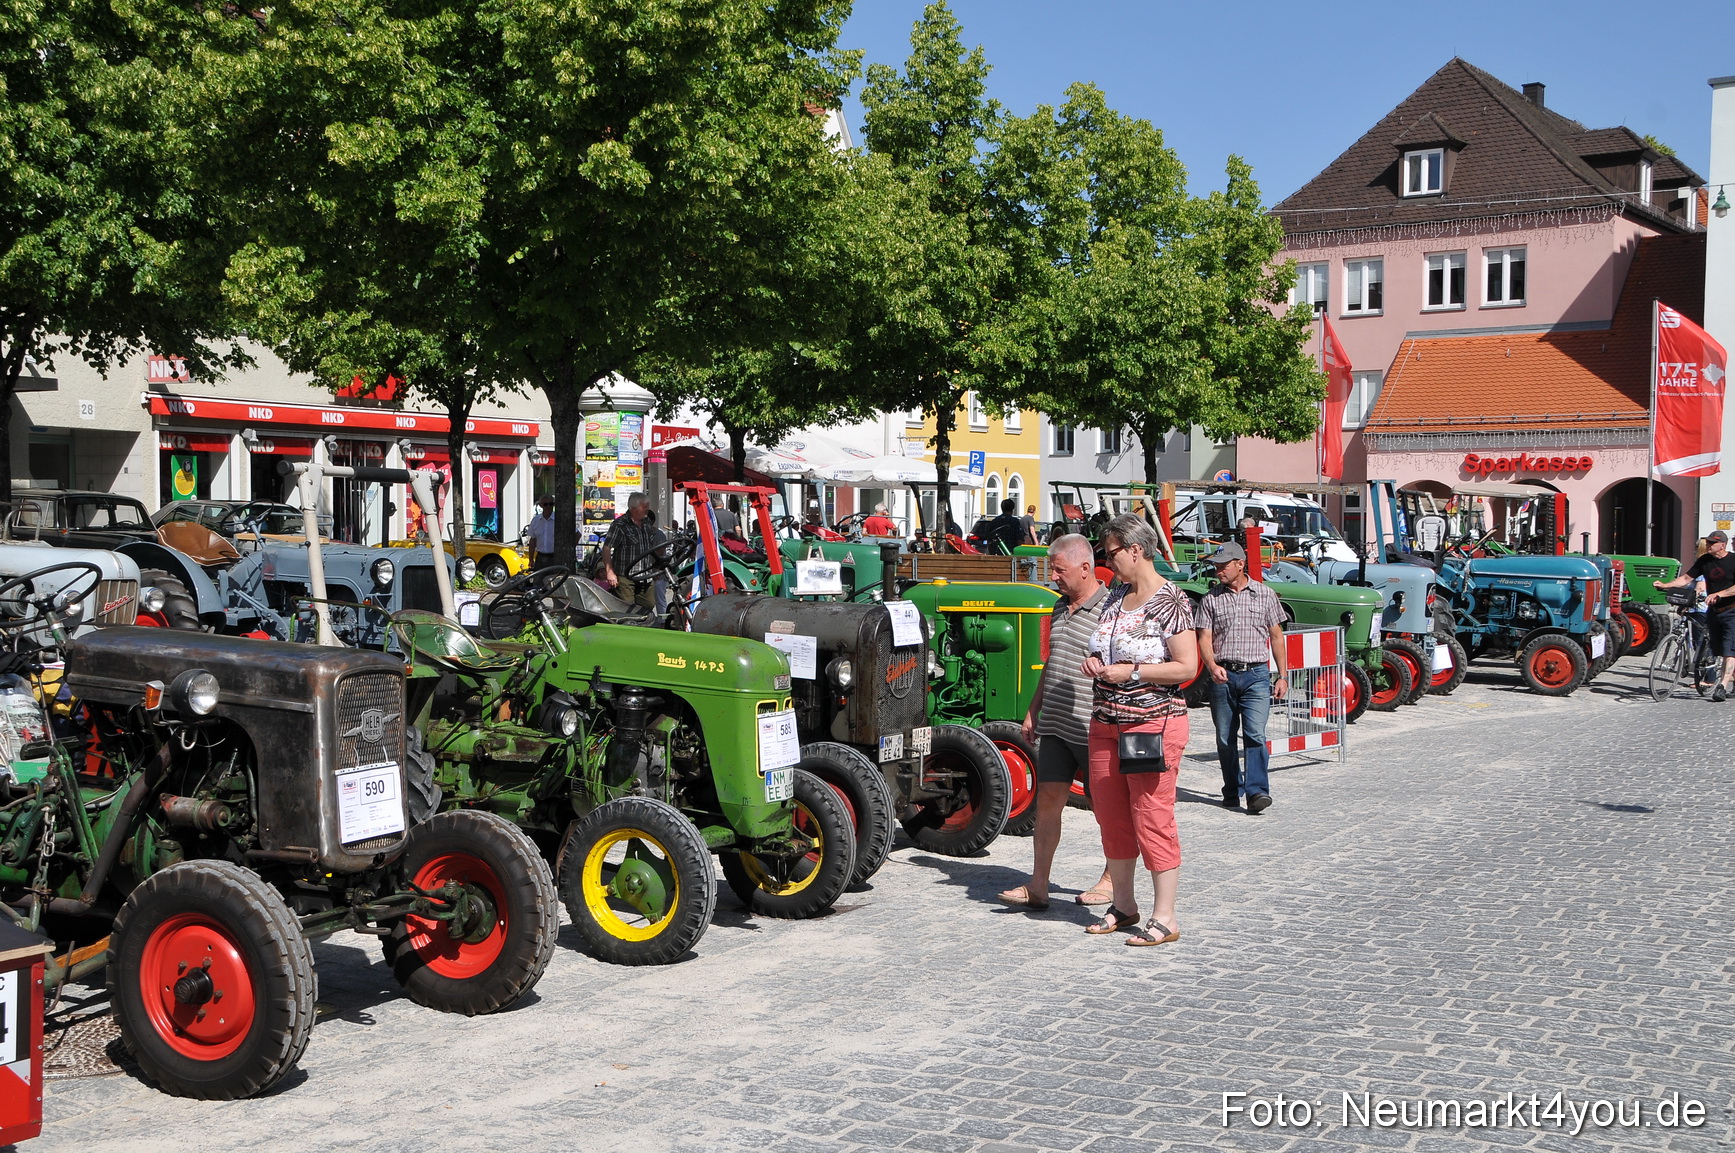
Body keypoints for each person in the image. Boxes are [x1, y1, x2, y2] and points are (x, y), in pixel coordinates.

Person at [1079, 514, 1199, 947]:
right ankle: (1124, 905)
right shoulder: (1115, 596)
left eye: (1109, 552)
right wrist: (1094, 662)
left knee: (1152, 816)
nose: (1105, 560)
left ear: (1136, 550)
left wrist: (1131, 672)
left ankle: (1165, 916)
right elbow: (1098, 646)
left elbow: (1187, 666)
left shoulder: (1171, 600)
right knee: (1110, 815)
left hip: (1152, 722)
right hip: (1105, 720)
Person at [997, 534, 1113, 911]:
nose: (1053, 578)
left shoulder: (1111, 609)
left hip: (1094, 726)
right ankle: (1039, 884)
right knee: (1047, 802)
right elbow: (1054, 661)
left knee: (1105, 807)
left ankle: (1113, 880)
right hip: (1058, 725)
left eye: (1059, 570)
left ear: (1085, 567)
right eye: (1052, 570)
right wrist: (1034, 708)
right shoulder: (1060, 608)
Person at [1194, 541, 1287, 813]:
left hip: (1256, 675)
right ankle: (1231, 789)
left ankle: (1257, 791)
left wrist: (1282, 676)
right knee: (1225, 738)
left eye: (1223, 566)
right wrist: (1211, 666)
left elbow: (1277, 637)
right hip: (1222, 675)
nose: (1218, 571)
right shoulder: (1211, 598)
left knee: (1255, 733)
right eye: (1216, 567)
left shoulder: (1265, 594)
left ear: (1240, 564)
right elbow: (1204, 637)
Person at [1659, 530, 1735, 699]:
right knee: (1718, 650)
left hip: (1732, 611)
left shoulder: (1733, 560)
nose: (1708, 545)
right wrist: (1666, 585)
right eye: (1707, 542)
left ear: (1722, 545)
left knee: (1729, 650)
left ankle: (1721, 687)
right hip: (1713, 611)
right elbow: (1686, 578)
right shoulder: (1705, 561)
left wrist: (1719, 594)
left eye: (1711, 543)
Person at [600, 492, 665, 610]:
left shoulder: (646, 523)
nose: (647, 510)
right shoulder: (619, 525)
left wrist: (656, 566)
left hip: (645, 574)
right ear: (633, 508)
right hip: (626, 575)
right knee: (627, 608)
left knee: (649, 605)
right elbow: (607, 547)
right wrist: (609, 572)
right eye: (644, 507)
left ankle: (642, 626)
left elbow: (651, 547)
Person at [526, 495, 558, 569]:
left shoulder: (559, 519)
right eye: (546, 504)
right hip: (540, 557)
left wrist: (568, 551)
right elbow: (532, 541)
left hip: (555, 558)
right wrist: (531, 559)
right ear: (541, 506)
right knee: (539, 580)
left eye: (551, 504)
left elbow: (577, 534)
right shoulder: (536, 520)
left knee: (555, 580)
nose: (548, 506)